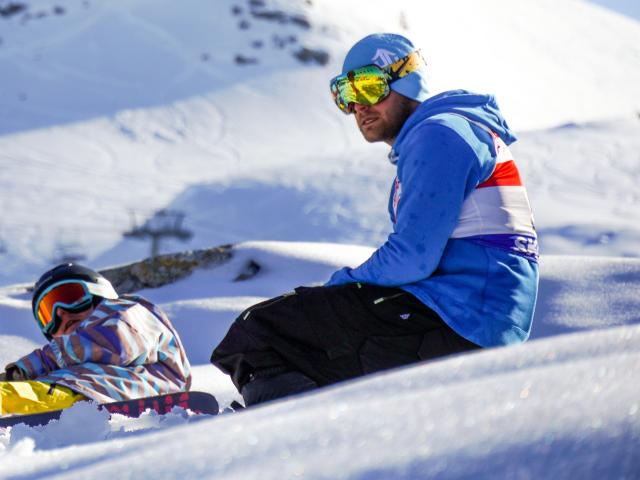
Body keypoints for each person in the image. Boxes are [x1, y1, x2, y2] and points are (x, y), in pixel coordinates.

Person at [211, 33, 538, 406]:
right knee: (308, 335)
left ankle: (289, 429)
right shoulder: (449, 133)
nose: (358, 107)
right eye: (345, 95)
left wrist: (340, 287)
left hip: (458, 319)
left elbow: (413, 256)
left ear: (406, 80)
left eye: (369, 86)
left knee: (259, 332)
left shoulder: (440, 135)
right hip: (468, 317)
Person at [0, 263, 191, 416]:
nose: (61, 313)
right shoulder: (63, 364)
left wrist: (32, 367)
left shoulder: (127, 311)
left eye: (70, 297)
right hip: (61, 390)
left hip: (98, 393)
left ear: (101, 297)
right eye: (47, 314)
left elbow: (116, 341)